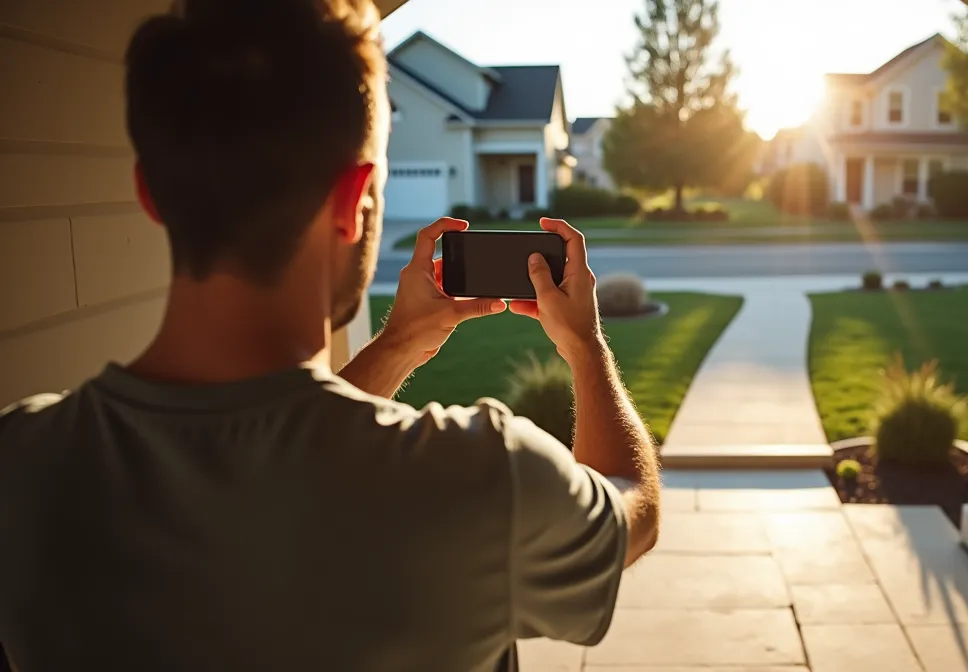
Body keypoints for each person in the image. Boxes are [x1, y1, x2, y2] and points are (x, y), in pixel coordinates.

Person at [0, 0, 660, 670]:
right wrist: (587, 347)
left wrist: (400, 343)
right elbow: (632, 509)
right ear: (356, 201)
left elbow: (264, 450)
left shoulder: (22, 466)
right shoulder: (480, 479)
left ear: (151, 193)